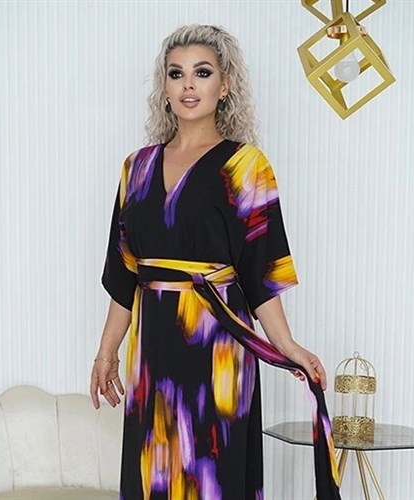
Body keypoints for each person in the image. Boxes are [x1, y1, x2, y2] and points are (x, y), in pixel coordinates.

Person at [90, 24, 340, 500]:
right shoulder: (135, 168)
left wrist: (287, 345)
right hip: (153, 350)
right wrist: (106, 354)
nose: (188, 85)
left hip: (218, 347)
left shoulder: (245, 166)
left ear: (224, 85)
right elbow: (124, 275)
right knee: (154, 473)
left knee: (212, 474)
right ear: (164, 86)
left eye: (202, 73)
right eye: (176, 73)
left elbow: (261, 271)